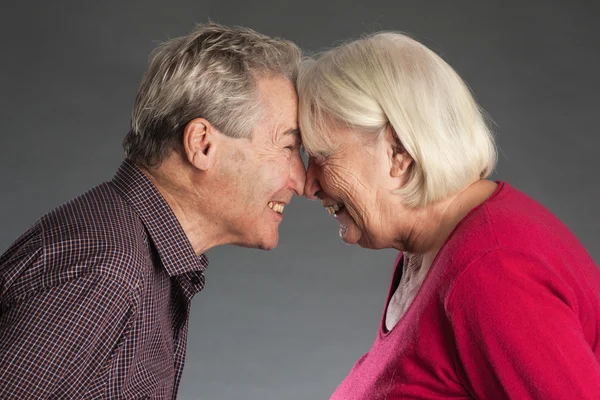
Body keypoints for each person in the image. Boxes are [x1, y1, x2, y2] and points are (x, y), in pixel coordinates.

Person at [0, 22, 305, 399]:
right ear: (202, 145)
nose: (302, 181)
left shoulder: (135, 260)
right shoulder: (109, 272)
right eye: (288, 147)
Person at [297, 32, 600, 399]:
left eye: (322, 156)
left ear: (399, 152)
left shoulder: (490, 270)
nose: (307, 184)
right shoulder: (430, 253)